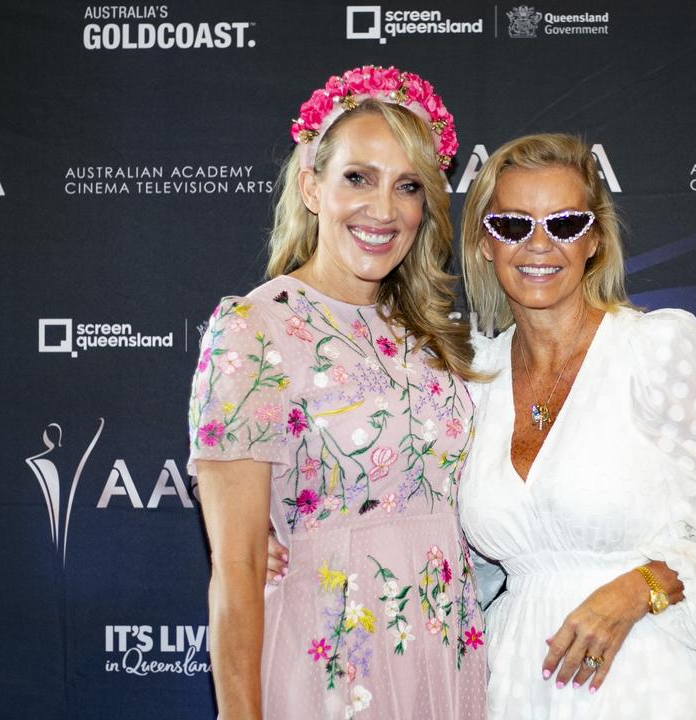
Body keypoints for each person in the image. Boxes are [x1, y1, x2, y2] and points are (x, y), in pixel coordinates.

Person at [188, 65, 487, 720]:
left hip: (445, 660)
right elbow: (235, 570)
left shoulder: (434, 339)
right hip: (329, 667)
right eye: (358, 177)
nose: (383, 209)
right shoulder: (252, 329)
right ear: (312, 186)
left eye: (408, 186)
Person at [457, 134, 696, 718]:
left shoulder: (656, 347)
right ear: (485, 242)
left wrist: (638, 589)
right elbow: (447, 560)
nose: (539, 245)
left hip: (655, 674)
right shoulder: (472, 378)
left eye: (564, 223)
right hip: (520, 683)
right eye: (512, 225)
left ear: (595, 239)